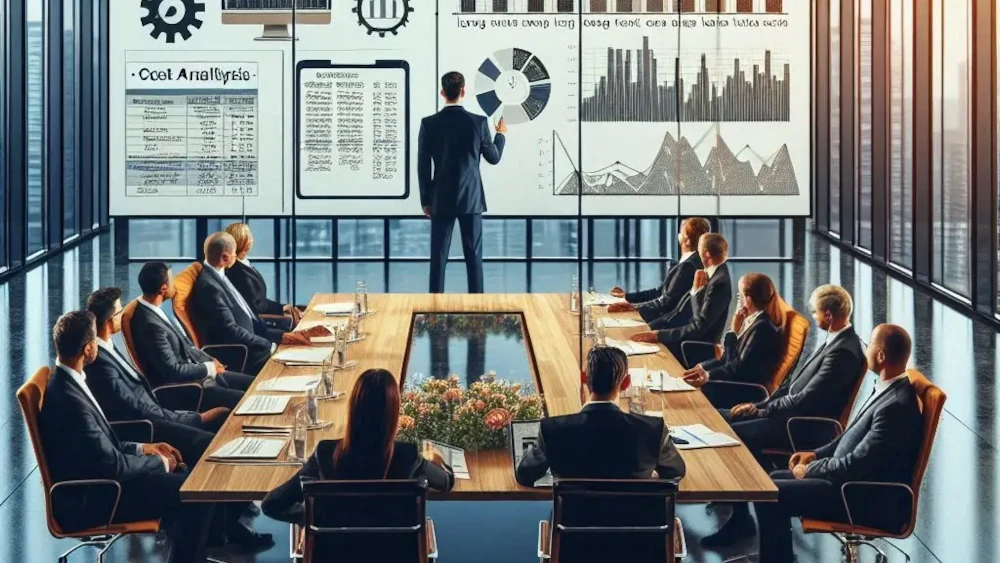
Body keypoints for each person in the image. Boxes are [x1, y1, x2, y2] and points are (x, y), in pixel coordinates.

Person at [39, 311, 215, 563]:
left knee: (187, 481)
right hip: (99, 497)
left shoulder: (67, 381)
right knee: (195, 493)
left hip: (102, 481)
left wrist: (146, 449)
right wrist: (161, 463)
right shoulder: (70, 401)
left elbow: (100, 446)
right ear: (88, 350)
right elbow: (114, 465)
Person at [701, 284, 865, 547]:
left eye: (815, 312)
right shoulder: (835, 341)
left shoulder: (843, 352)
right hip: (789, 415)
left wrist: (764, 409)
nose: (813, 316)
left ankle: (741, 520)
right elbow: (793, 387)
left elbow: (806, 399)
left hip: (803, 426)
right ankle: (739, 506)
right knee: (725, 420)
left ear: (829, 316)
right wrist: (762, 403)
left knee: (734, 436)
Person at [751, 325, 924, 563]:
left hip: (859, 496)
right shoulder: (890, 390)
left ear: (882, 355)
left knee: (770, 495)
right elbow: (848, 437)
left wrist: (811, 469)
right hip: (848, 483)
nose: (866, 350)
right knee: (769, 483)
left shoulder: (894, 407)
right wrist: (814, 455)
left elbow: (857, 464)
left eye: (871, 344)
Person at [262, 369, 455, 525]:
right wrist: (436, 457)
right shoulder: (408, 455)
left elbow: (272, 504)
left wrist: (311, 517)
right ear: (393, 413)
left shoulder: (326, 453)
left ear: (353, 408)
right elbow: (446, 482)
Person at [515, 346, 686, 486]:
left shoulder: (552, 429)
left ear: (584, 378)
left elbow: (524, 474)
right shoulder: (652, 429)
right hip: (636, 526)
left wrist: (536, 446)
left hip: (574, 525)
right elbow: (675, 472)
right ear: (626, 382)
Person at [418, 71, 507, 294]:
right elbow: (493, 158)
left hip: (440, 198)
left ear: (442, 93)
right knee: (474, 257)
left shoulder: (429, 124)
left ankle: (433, 306)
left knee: (438, 257)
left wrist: (425, 201)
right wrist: (501, 135)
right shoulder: (478, 122)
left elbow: (423, 167)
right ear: (463, 91)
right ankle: (477, 304)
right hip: (471, 199)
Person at [132, 262, 253, 408]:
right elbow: (172, 370)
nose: (174, 285)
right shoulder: (150, 325)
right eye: (172, 281)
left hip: (202, 377)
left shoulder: (154, 310)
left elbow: (188, 348)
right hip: (190, 390)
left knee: (257, 385)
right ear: (163, 289)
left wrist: (212, 362)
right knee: (251, 398)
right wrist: (209, 367)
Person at [190, 232, 310, 375]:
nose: (237, 256)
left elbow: (247, 318)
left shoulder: (219, 276)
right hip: (243, 352)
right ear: (225, 257)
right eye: (234, 252)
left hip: (254, 338)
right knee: (302, 365)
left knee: (304, 345)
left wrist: (281, 336)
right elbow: (231, 331)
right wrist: (270, 344)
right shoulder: (209, 287)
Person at [630, 233, 732, 363]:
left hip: (695, 348)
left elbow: (698, 327)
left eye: (699, 249)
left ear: (706, 254)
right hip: (690, 339)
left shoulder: (719, 283)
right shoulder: (713, 273)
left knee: (643, 354)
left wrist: (659, 335)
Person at [681, 273, 784, 390]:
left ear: (748, 300)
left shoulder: (762, 329)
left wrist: (733, 331)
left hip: (743, 389)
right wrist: (702, 367)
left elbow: (735, 367)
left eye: (739, 296)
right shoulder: (751, 320)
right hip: (733, 379)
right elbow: (727, 359)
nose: (738, 300)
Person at [609, 217, 711, 324]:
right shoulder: (693, 262)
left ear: (687, 240)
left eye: (681, 233)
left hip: (667, 326)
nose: (679, 236)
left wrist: (632, 308)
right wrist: (627, 296)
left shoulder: (688, 266)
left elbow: (666, 304)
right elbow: (660, 292)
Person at [224, 222, 302, 326]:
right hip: (255, 325)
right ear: (242, 241)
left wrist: (283, 307)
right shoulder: (236, 270)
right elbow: (257, 305)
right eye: (249, 237)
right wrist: (282, 308)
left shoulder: (243, 264)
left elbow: (259, 300)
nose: (252, 240)